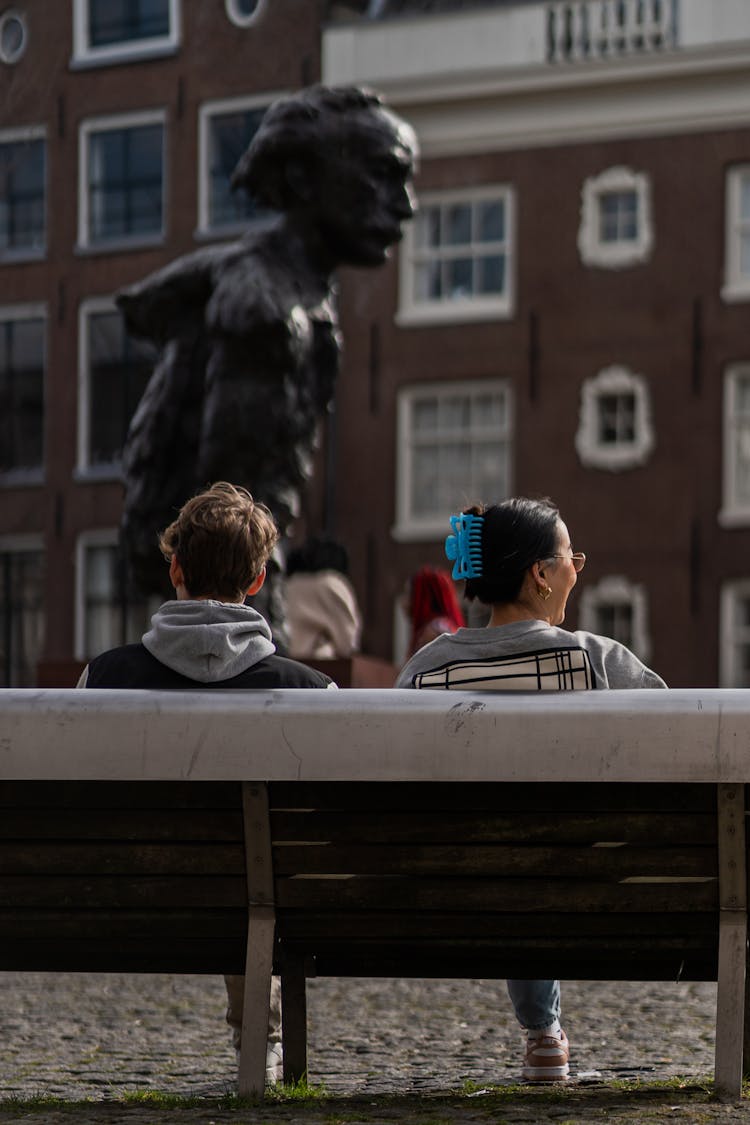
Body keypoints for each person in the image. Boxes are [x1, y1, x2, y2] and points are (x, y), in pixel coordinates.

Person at [117, 84, 418, 615]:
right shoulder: (268, 312)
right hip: (222, 608)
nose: (406, 205)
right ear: (304, 178)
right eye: (383, 174)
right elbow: (232, 505)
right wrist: (266, 634)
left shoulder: (293, 293)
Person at [396, 497, 667, 1082]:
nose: (578, 567)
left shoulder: (423, 672)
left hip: (442, 892)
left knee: (508, 851)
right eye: (571, 556)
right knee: (543, 853)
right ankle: (545, 1033)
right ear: (540, 574)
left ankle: (543, 1032)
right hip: (586, 890)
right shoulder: (597, 661)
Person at [78, 481, 336, 1085]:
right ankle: (263, 1042)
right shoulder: (312, 694)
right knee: (257, 880)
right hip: (267, 900)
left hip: (129, 895)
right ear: (255, 583)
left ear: (175, 570)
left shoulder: (103, 677)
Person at [285, 536, 362, 660]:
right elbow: (347, 642)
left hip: (284, 659)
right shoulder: (333, 585)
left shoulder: (289, 584)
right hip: (319, 666)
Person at [404, 565, 465, 657]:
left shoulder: (432, 634)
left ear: (423, 597)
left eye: (410, 595)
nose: (405, 603)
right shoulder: (444, 627)